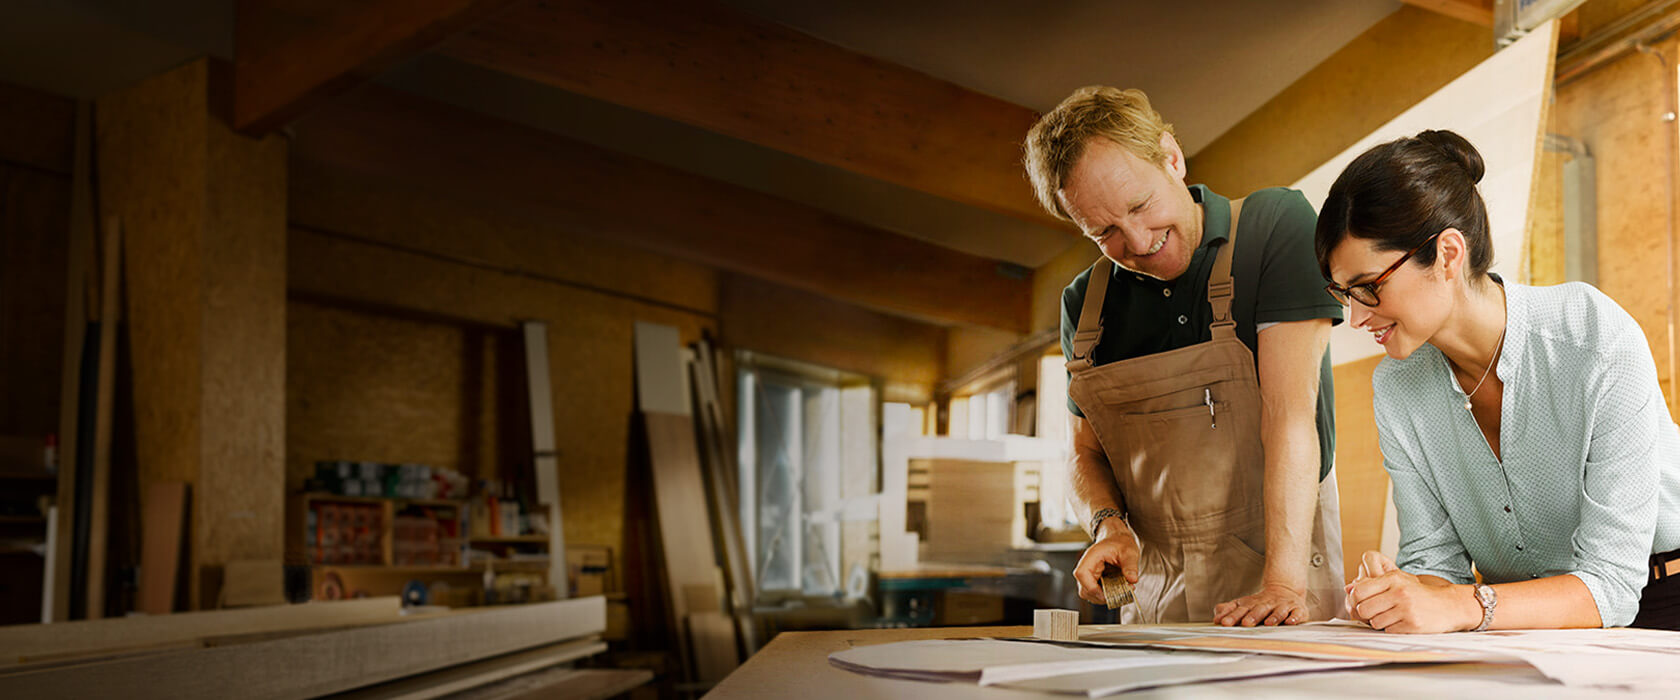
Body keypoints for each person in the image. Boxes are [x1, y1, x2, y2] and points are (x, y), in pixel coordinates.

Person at [1318, 129, 1680, 632]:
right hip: (1524, 618)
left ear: (1447, 254)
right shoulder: (1398, 388)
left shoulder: (1592, 336)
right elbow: (1435, 564)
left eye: (1368, 288)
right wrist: (1400, 591)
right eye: (1343, 293)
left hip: (1662, 595)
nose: (1356, 318)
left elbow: (1613, 587)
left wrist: (1460, 606)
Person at [1024, 86, 1347, 625]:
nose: (1138, 240)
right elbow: (1085, 455)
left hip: (1280, 568)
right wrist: (1108, 526)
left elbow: (1290, 417)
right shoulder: (1084, 306)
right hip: (1147, 589)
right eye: (1103, 231)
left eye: (1140, 205)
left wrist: (1284, 586)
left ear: (1171, 158)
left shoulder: (1272, 226)